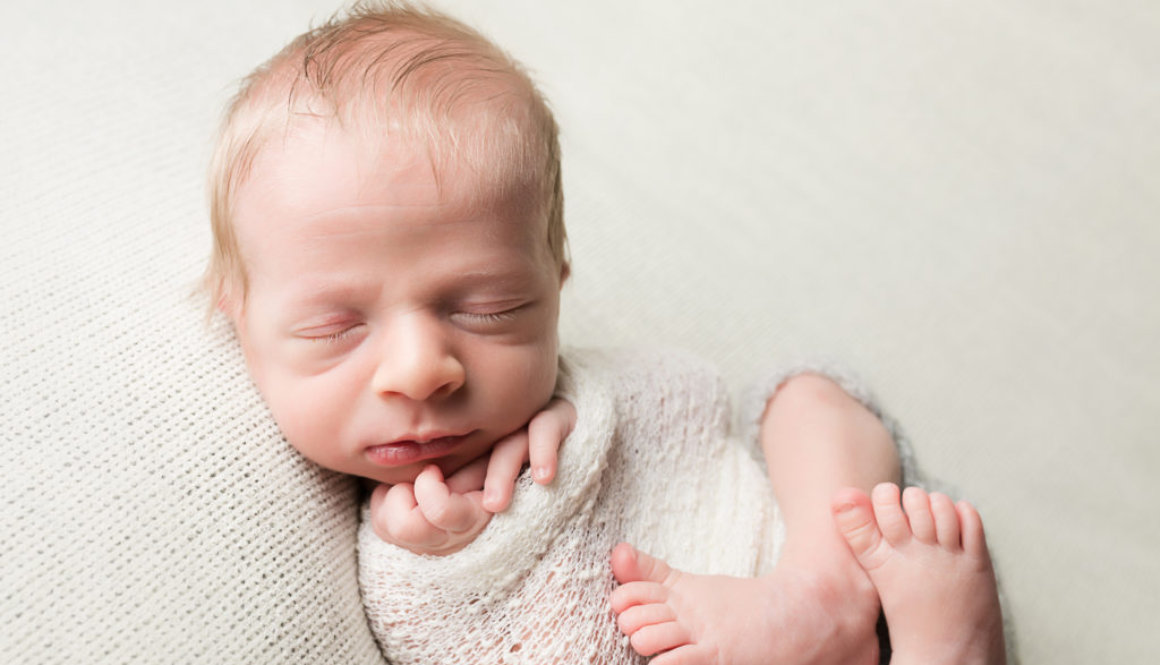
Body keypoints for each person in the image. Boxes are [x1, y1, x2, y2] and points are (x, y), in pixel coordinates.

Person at [203, 3, 1006, 663]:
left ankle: (826, 589)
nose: (422, 369)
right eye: (335, 327)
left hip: (840, 554)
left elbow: (684, 415)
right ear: (238, 317)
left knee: (806, 393)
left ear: (555, 284)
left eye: (488, 308)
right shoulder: (407, 532)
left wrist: (576, 408)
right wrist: (441, 551)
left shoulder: (584, 389)